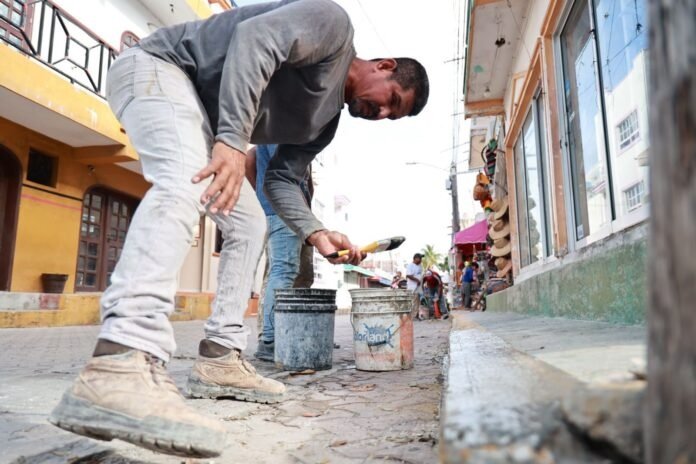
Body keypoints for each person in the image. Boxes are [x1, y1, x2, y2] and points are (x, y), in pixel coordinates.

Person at [49, 0, 429, 459]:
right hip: (158, 69)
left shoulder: (325, 124)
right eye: (392, 101)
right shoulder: (332, 25)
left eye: (394, 117)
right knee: (181, 179)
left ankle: (219, 357)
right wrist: (232, 140)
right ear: (384, 66)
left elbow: (281, 180)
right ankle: (120, 359)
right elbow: (256, 39)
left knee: (249, 222)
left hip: (204, 122)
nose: (383, 115)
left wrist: (314, 231)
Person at [253, 144, 313, 361]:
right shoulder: (281, 128)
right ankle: (270, 340)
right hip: (280, 210)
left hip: (287, 211)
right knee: (283, 272)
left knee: (285, 272)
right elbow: (284, 173)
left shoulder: (286, 128)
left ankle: (276, 337)